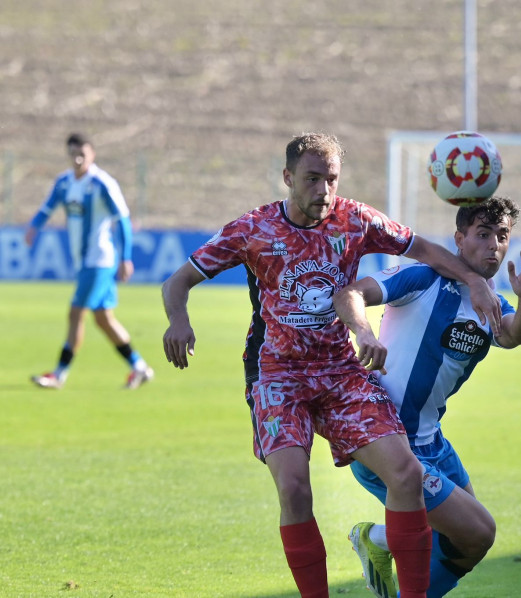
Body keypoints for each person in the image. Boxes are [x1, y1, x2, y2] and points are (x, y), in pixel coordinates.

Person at [161, 132, 503, 598]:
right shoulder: (253, 229)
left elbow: (424, 250)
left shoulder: (355, 220)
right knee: (296, 491)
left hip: (340, 372)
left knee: (405, 475)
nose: (323, 191)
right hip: (277, 377)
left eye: (332, 180)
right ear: (288, 178)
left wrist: (473, 280)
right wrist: (178, 321)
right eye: (312, 179)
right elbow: (178, 281)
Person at [334, 196, 521, 598]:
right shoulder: (423, 279)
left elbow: (517, 334)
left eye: (502, 236)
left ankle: (378, 539)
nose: (494, 245)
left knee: (464, 542)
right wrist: (363, 331)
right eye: (482, 235)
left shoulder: (492, 304)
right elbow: (349, 295)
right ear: (459, 239)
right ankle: (380, 544)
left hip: (431, 440)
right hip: (386, 440)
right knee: (479, 531)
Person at [26, 132, 154, 390]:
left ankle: (59, 374)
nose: (77, 159)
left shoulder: (102, 184)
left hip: (100, 261)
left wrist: (126, 257)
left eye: (82, 154)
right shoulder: (64, 183)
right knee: (104, 319)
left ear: (92, 154)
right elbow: (47, 207)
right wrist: (33, 227)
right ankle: (140, 368)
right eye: (73, 153)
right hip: (84, 262)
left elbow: (123, 220)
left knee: (75, 314)